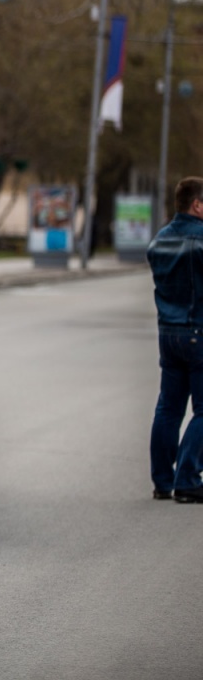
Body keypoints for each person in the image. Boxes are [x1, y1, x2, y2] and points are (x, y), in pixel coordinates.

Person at [147, 176, 203, 504]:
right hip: (199, 331)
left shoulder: (159, 241)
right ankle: (187, 480)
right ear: (197, 205)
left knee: (168, 407)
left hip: (168, 333)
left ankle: (162, 481)